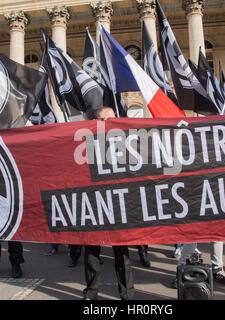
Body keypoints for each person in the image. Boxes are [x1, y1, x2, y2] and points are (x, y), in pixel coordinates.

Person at [82, 106, 134, 300]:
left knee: (122, 254)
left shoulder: (127, 142)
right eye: (107, 119)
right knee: (92, 252)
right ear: (97, 123)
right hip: (95, 205)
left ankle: (127, 294)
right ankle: (91, 291)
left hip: (118, 206)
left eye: (114, 118)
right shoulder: (86, 143)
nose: (112, 122)